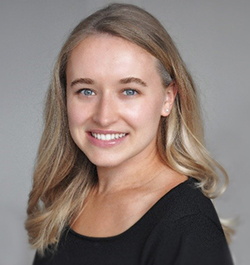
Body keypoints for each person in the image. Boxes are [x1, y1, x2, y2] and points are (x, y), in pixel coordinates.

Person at [26, 3, 234, 265]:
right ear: (64, 97)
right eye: (86, 91)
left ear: (167, 98)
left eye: (129, 91)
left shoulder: (188, 224)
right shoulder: (65, 203)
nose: (104, 116)